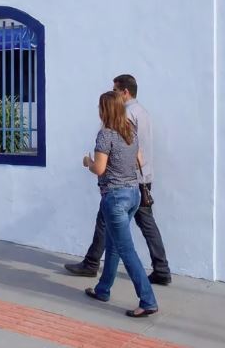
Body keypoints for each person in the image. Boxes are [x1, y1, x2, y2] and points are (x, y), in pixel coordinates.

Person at [65, 74, 171, 285]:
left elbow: (121, 150)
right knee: (143, 224)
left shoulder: (127, 115)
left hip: (124, 181)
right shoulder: (143, 112)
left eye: (115, 90)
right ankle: (160, 268)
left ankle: (92, 264)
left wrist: (91, 161)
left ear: (125, 92)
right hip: (140, 177)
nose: (113, 94)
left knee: (109, 226)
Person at [82, 91, 158, 318]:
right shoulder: (130, 132)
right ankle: (102, 289)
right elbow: (140, 160)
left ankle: (148, 300)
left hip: (115, 197)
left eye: (99, 106)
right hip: (133, 194)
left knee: (126, 251)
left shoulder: (105, 135)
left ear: (105, 109)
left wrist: (88, 162)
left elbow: (100, 169)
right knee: (113, 245)